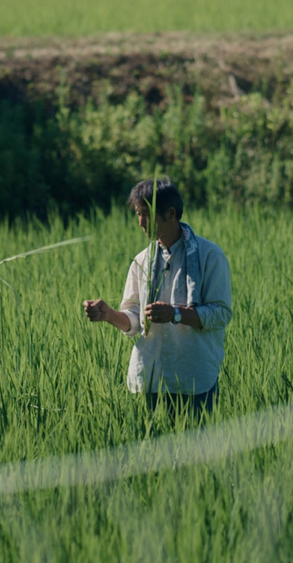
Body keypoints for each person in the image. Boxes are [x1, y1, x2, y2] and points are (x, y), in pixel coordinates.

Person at [83, 177, 232, 416]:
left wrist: (175, 314)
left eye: (147, 214)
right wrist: (109, 315)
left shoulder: (210, 256)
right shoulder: (142, 261)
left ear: (171, 213)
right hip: (151, 377)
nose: (141, 223)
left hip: (194, 377)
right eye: (137, 214)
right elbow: (135, 321)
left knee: (196, 451)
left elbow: (221, 314)